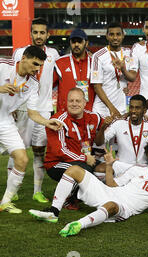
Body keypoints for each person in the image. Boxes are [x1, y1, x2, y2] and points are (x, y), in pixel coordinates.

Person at [28, 137, 148, 237]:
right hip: (110, 192)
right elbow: (112, 184)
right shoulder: (137, 169)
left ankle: (78, 225)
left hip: (124, 206)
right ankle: (54, 212)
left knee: (111, 206)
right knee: (74, 170)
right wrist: (109, 166)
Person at [0, 46, 62, 214]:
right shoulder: (3, 65)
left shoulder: (33, 84)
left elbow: (33, 113)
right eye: (35, 64)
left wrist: (48, 122)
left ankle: (5, 202)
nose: (37, 69)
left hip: (4, 120)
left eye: (40, 66)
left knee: (22, 159)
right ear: (24, 57)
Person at [10, 17, 60, 204]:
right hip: (22, 109)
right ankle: (13, 190)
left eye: (42, 32)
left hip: (44, 109)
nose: (38, 36)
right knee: (17, 149)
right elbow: (13, 77)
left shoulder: (54, 54)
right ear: (31, 33)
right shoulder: (20, 53)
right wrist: (12, 104)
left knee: (40, 151)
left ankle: (37, 191)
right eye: (35, 32)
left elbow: (61, 78)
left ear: (48, 34)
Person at [44, 87, 109, 210]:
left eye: (78, 101)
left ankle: (78, 193)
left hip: (83, 160)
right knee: (82, 170)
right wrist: (85, 158)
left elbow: (109, 122)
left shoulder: (94, 116)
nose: (74, 104)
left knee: (106, 170)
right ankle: (66, 198)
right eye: (71, 101)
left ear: (85, 103)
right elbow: (60, 151)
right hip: (56, 163)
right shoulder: (58, 121)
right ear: (66, 102)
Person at [94, 94, 148, 176]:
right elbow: (98, 143)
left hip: (141, 166)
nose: (133, 111)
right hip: (121, 165)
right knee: (99, 171)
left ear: (144, 111)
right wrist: (103, 127)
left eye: (137, 108)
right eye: (131, 107)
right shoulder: (119, 123)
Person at [90, 22, 136, 118]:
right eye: (111, 34)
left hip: (121, 109)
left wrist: (123, 69)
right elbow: (97, 86)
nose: (115, 38)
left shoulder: (129, 53)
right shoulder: (98, 56)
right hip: (102, 110)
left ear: (123, 35)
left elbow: (132, 77)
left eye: (118, 34)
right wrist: (112, 108)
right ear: (107, 36)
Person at [54, 28, 95, 113]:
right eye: (73, 42)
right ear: (70, 43)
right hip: (65, 114)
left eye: (79, 41)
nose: (76, 44)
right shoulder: (60, 63)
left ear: (86, 43)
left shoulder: (95, 63)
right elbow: (47, 86)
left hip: (88, 114)